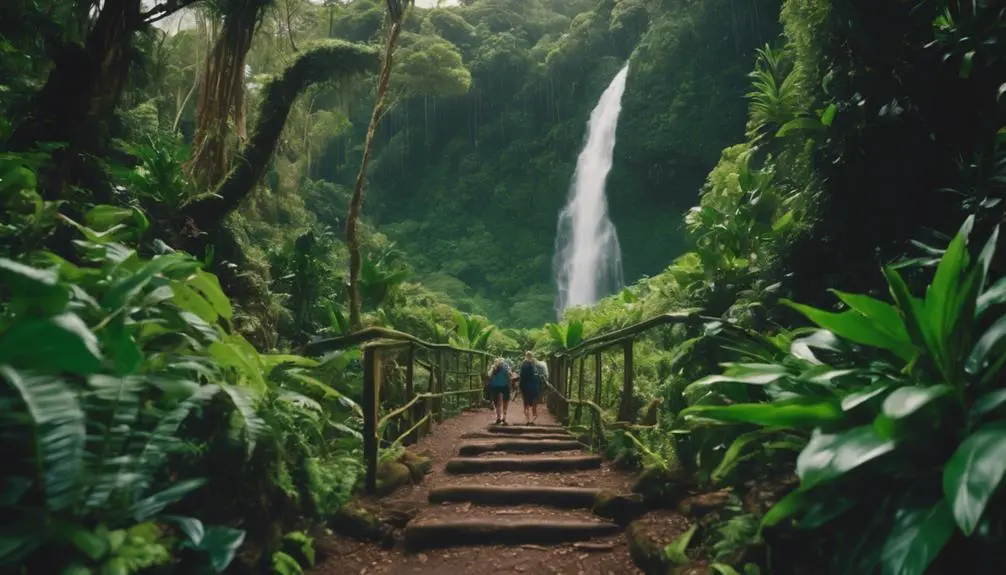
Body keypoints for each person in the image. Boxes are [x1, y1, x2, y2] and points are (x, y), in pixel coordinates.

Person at [487, 356, 513, 425]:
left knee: (497, 403)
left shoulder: (494, 366)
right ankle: (504, 418)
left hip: (495, 386)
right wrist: (510, 386)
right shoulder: (506, 366)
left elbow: (489, 376)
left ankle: (498, 418)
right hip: (504, 386)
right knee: (505, 402)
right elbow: (510, 375)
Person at [519, 351, 540, 424]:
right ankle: (533, 419)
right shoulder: (535, 364)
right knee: (534, 403)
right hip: (534, 386)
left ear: (526, 356)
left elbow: (521, 377)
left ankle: (528, 420)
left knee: (526, 403)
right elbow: (539, 376)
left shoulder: (523, 365)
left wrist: (520, 387)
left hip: (525, 386)